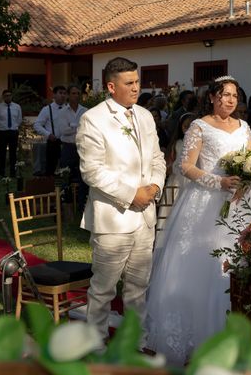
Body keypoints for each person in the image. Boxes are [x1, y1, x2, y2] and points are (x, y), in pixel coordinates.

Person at [146, 76, 251, 366]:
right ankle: (205, 335)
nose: (230, 100)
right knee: (208, 267)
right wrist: (219, 181)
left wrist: (249, 177)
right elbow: (184, 166)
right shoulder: (199, 126)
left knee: (247, 262)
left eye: (235, 96)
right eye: (225, 95)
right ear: (213, 97)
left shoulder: (245, 126)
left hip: (244, 199)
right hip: (206, 203)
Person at [76, 57, 166, 344]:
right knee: (103, 290)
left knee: (138, 288)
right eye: (130, 83)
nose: (136, 88)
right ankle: (95, 343)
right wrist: (131, 194)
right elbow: (92, 170)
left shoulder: (145, 116)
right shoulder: (93, 119)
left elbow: (157, 158)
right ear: (111, 86)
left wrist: (154, 187)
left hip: (145, 216)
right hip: (114, 218)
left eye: (137, 81)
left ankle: (135, 341)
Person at [156, 112, 196, 233]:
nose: (188, 130)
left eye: (191, 127)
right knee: (171, 211)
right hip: (176, 182)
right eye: (185, 127)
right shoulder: (177, 144)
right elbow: (170, 163)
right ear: (180, 127)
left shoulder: (201, 144)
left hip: (192, 181)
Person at [57, 84, 88, 212]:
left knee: (84, 176)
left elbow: (87, 129)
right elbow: (63, 130)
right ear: (68, 95)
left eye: (78, 93)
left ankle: (82, 206)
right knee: (66, 176)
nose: (76, 96)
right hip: (68, 147)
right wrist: (78, 126)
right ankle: (67, 205)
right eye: (73, 93)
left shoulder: (85, 111)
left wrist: (72, 126)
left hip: (82, 147)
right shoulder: (62, 112)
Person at [34, 86, 66, 176]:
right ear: (54, 95)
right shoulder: (47, 109)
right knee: (50, 168)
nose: (63, 95)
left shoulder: (68, 109)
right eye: (60, 93)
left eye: (64, 93)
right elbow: (37, 125)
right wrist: (48, 134)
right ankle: (50, 187)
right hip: (53, 142)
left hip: (66, 142)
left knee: (66, 168)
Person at [0, 89, 22, 178]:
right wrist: (0, 128)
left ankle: (13, 173)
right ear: (3, 97)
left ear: (12, 96)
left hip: (13, 132)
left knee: (13, 153)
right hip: (2, 132)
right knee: (2, 153)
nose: (8, 97)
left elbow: (19, 119)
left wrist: (15, 127)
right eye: (6, 95)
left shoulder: (17, 107)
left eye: (9, 95)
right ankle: (2, 173)